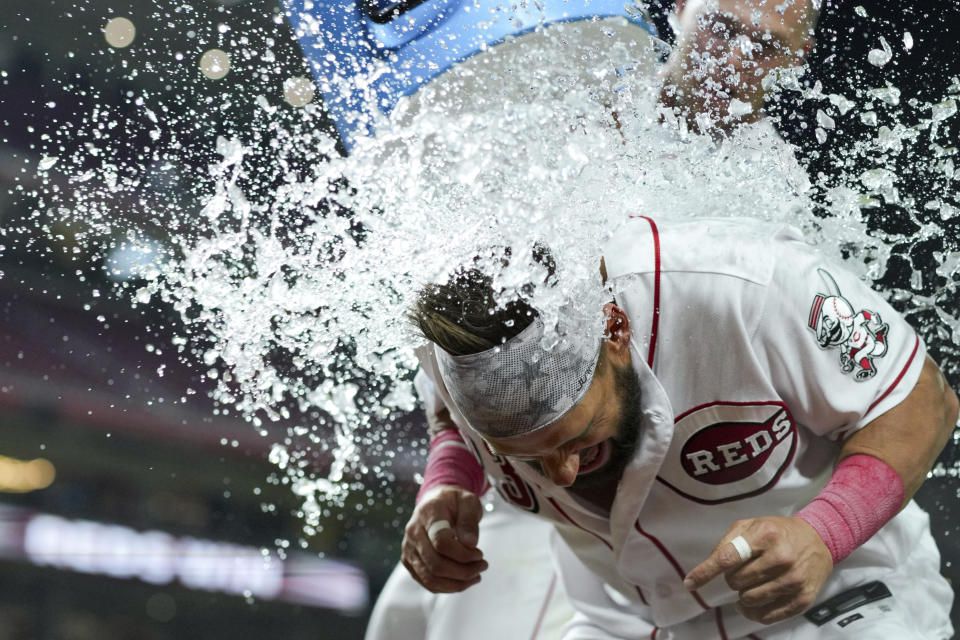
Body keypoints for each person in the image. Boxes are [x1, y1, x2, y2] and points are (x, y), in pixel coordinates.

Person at [402, 216, 957, 639]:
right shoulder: (454, 349)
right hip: (622, 617)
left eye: (576, 438)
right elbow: (452, 421)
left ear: (613, 330)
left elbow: (920, 400)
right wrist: (449, 479)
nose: (563, 473)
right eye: (524, 455)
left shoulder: (740, 286)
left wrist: (826, 530)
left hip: (836, 584)